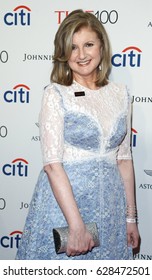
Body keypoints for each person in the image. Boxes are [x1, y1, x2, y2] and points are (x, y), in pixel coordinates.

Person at [16, 9, 139, 260]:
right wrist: (77, 226)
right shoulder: (56, 94)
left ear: (102, 46)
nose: (81, 55)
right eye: (72, 47)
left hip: (110, 209)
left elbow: (124, 159)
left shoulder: (120, 93)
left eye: (88, 44)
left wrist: (131, 218)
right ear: (63, 53)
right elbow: (52, 165)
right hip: (67, 208)